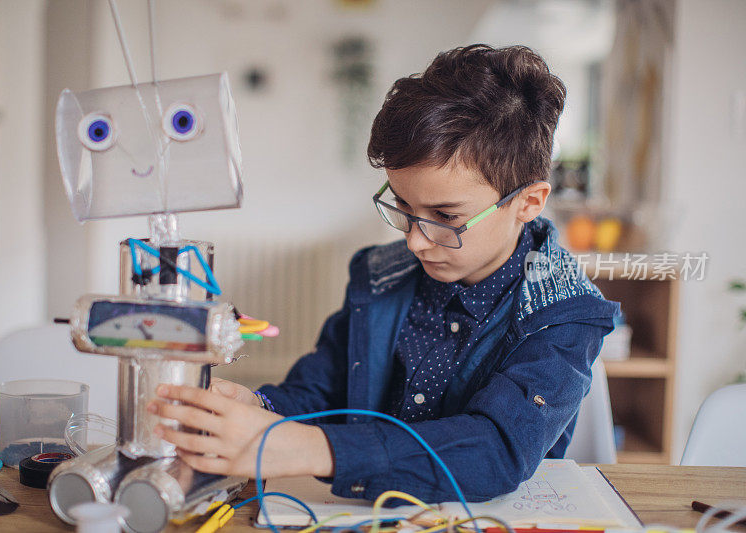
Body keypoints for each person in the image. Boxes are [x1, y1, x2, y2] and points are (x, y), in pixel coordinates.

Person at [147, 44, 620, 502]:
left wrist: (309, 448)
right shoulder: (378, 278)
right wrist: (261, 409)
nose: (414, 241)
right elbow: (321, 387)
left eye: (446, 217)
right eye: (402, 207)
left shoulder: (566, 316)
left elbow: (494, 450)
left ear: (527, 202)